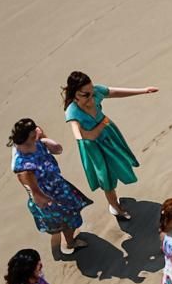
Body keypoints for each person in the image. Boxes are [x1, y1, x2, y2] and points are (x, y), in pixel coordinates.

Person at [62, 71, 158, 220]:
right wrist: (102, 124)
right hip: (93, 147)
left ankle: (114, 200)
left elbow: (113, 92)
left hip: (108, 135)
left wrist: (143, 90)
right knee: (106, 179)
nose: (91, 97)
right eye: (85, 95)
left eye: (92, 91)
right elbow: (85, 137)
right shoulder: (72, 112)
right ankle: (115, 207)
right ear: (75, 95)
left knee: (119, 164)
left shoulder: (95, 93)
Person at [8, 118, 91, 255]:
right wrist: (42, 198)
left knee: (65, 219)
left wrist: (44, 137)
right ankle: (70, 243)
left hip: (59, 187)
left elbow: (58, 149)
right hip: (49, 197)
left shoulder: (37, 142)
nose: (36, 135)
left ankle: (64, 237)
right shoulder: (23, 165)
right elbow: (30, 187)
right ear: (24, 138)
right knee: (67, 219)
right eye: (33, 135)